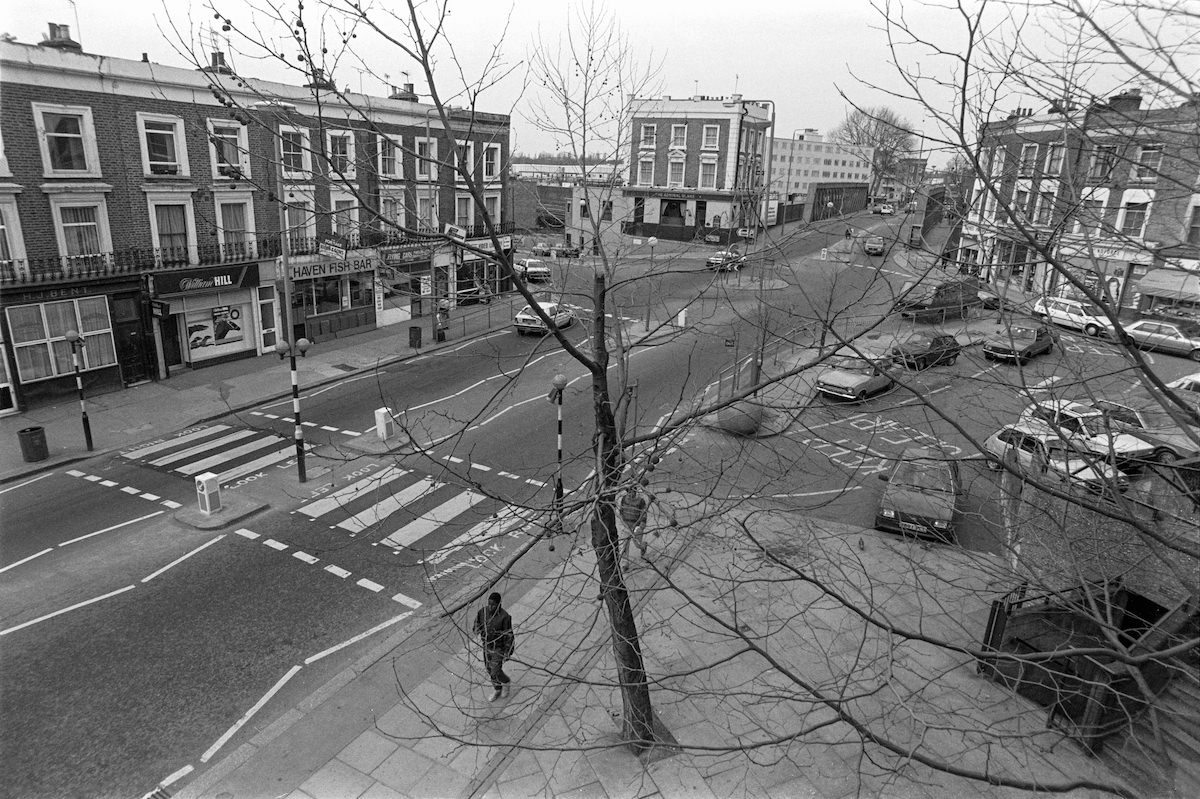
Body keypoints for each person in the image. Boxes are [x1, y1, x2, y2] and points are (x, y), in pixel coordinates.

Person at [473, 592, 514, 701]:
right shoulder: (482, 612)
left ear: (499, 604)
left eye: (493, 605)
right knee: (488, 668)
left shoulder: (504, 617)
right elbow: (477, 622)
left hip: (498, 648)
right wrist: (476, 628)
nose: (490, 607)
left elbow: (509, 635)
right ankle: (497, 688)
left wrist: (507, 651)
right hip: (487, 646)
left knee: (495, 670)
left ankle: (505, 682)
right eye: (489, 604)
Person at [619, 486, 651, 561]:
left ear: (635, 491)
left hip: (636, 526)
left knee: (638, 544)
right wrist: (622, 521)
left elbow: (643, 513)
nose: (630, 494)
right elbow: (621, 510)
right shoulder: (624, 499)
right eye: (629, 492)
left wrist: (641, 525)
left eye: (632, 492)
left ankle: (643, 546)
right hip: (626, 525)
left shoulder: (640, 501)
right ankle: (625, 564)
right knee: (624, 546)